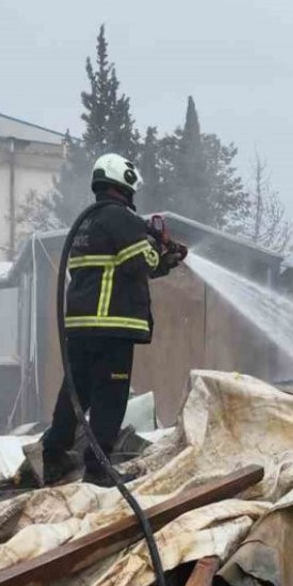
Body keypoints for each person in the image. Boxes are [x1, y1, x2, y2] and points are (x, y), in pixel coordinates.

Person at [40, 153, 185, 486]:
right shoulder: (121, 218)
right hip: (111, 327)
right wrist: (158, 246)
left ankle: (53, 454)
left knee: (76, 392)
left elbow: (121, 266)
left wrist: (165, 261)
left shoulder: (88, 222)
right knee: (110, 395)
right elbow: (141, 262)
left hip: (82, 327)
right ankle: (98, 469)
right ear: (125, 181)